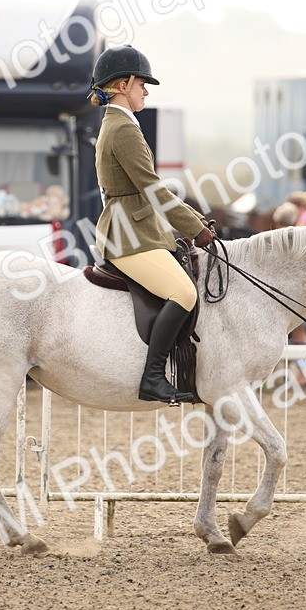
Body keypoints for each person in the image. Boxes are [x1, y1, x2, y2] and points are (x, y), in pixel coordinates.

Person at [89, 45, 214, 404]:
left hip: (138, 228)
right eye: (143, 83)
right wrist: (195, 228)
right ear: (122, 84)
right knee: (184, 293)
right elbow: (154, 191)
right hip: (129, 234)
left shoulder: (122, 124)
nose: (146, 90)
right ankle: (153, 377)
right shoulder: (122, 129)